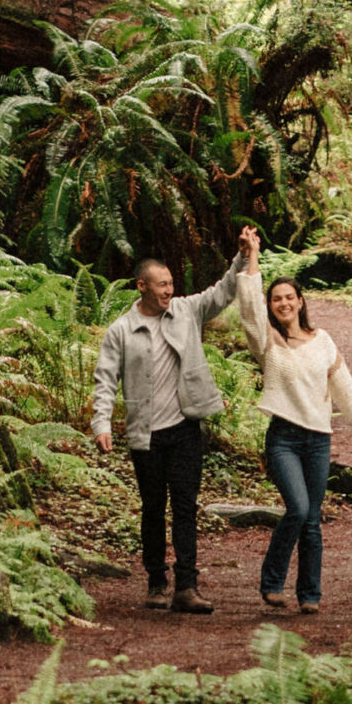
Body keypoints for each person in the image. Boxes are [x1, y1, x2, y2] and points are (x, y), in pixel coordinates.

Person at [90, 237, 247, 613]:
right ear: (142, 286)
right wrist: (101, 423)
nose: (169, 290)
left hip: (185, 430)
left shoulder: (186, 311)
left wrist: (242, 254)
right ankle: (157, 583)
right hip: (146, 436)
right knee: (152, 508)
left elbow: (223, 291)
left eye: (171, 284)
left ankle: (186, 587)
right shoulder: (121, 331)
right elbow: (105, 379)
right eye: (162, 284)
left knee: (185, 507)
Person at [236, 231, 352, 613]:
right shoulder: (267, 341)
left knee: (312, 521)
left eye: (289, 297)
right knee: (298, 509)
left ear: (301, 302)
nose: (283, 303)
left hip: (318, 439)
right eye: (276, 299)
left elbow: (345, 387)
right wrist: (253, 257)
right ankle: (271, 582)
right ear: (272, 305)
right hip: (283, 438)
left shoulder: (323, 340)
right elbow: (249, 307)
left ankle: (310, 595)